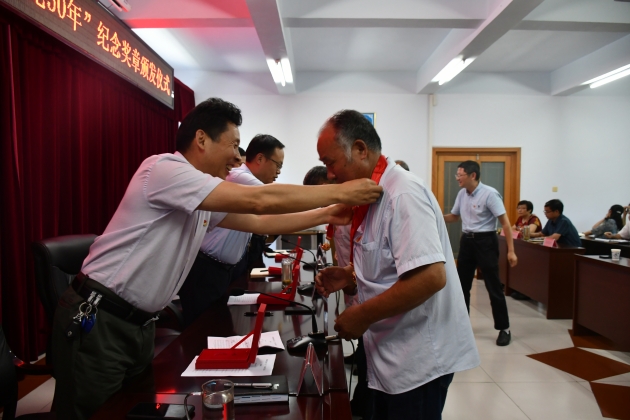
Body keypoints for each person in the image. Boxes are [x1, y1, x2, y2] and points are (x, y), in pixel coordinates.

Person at [51, 98, 382, 419]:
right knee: (95, 412)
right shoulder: (165, 169)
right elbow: (260, 201)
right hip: (102, 320)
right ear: (201, 139)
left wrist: (328, 214)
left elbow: (261, 222)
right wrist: (341, 192)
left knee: (131, 409)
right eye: (234, 145)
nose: (238, 157)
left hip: (139, 326)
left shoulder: (201, 194)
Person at [315, 110, 479, 419]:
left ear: (360, 149)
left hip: (418, 359)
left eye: (331, 163)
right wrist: (350, 276)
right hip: (391, 352)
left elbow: (430, 277)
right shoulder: (371, 194)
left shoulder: (402, 193)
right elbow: (391, 262)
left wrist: (362, 314)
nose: (330, 174)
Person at [178, 134, 285, 326]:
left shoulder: (248, 181)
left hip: (224, 270)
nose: (278, 172)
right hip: (206, 269)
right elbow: (273, 198)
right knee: (203, 329)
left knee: (223, 326)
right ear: (260, 159)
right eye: (278, 165)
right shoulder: (238, 176)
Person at [443, 160, 517, 346]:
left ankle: (504, 328)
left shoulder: (490, 194)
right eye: (457, 174)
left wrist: (511, 251)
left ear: (472, 175)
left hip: (486, 242)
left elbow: (506, 224)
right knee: (462, 286)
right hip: (467, 242)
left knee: (493, 287)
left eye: (460, 175)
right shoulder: (462, 194)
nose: (457, 178)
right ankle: (462, 326)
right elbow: (455, 217)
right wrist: (436, 216)